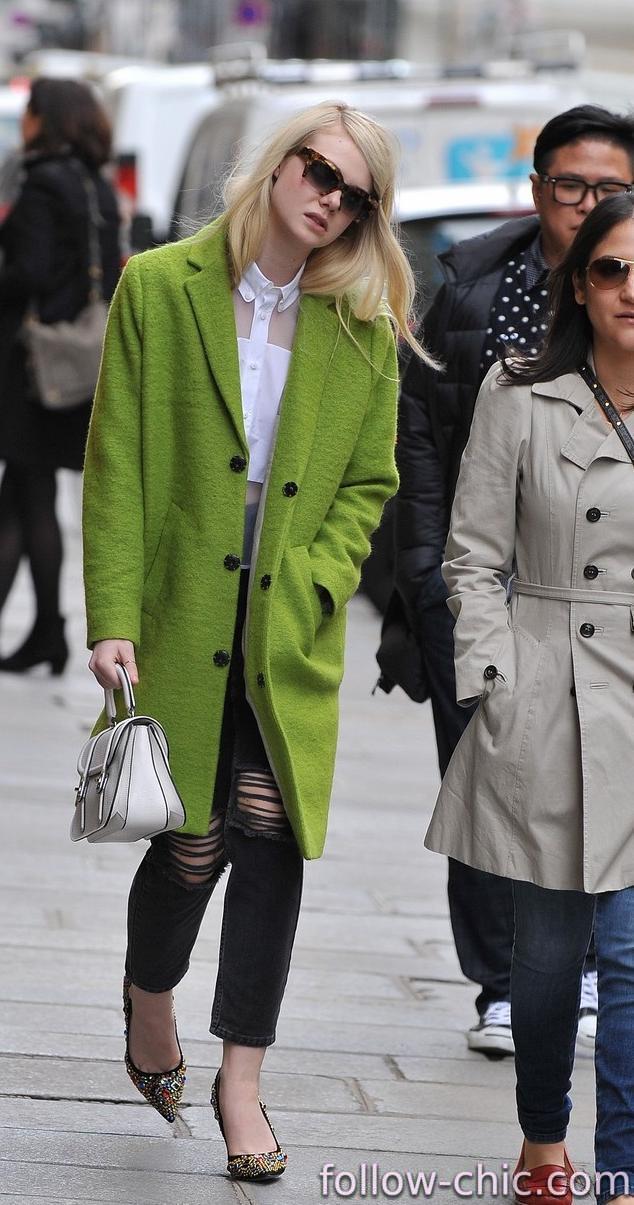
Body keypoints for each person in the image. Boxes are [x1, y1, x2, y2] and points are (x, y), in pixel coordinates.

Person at [82, 101, 428, 1182]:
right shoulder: (159, 286)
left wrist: (320, 580)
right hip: (180, 615)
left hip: (286, 628)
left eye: (354, 194)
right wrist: (113, 614)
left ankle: (242, 1081)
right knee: (192, 843)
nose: (329, 198)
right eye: (317, 170)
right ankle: (149, 1001)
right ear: (276, 164)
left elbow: (369, 481)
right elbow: (118, 461)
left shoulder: (361, 326)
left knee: (270, 832)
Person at [393, 104, 634, 1056]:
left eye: (608, 187)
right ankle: (498, 981)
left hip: (607, 627)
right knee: (493, 808)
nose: (585, 202)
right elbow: (423, 442)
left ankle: (587, 986)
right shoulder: (471, 293)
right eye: (570, 184)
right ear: (538, 191)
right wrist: (434, 590)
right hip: (496, 602)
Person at [425, 191, 634, 1203]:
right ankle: (544, 1138)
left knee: (629, 956)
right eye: (611, 269)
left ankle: (623, 1170)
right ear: (578, 285)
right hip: (549, 689)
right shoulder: (518, 390)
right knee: (548, 954)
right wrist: (492, 677)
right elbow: (471, 556)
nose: (631, 289)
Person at [0, 77, 120, 674]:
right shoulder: (98, 185)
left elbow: (30, 271)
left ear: (46, 118)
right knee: (26, 494)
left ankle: (49, 632)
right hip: (79, 360)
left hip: (37, 366)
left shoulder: (44, 183)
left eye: (29, 111)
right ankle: (48, 630)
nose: (24, 122)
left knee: (28, 494)